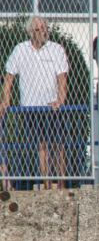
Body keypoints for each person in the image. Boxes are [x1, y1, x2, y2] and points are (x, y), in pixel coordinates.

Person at [0, 17, 68, 189]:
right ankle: (47, 185)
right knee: (41, 146)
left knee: (58, 146)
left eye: (45, 28)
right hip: (30, 107)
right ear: (30, 32)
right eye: (38, 29)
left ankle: (61, 185)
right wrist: (6, 101)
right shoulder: (20, 49)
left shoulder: (56, 49)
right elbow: (9, 78)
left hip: (52, 106)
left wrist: (60, 100)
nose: (43, 31)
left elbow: (62, 79)